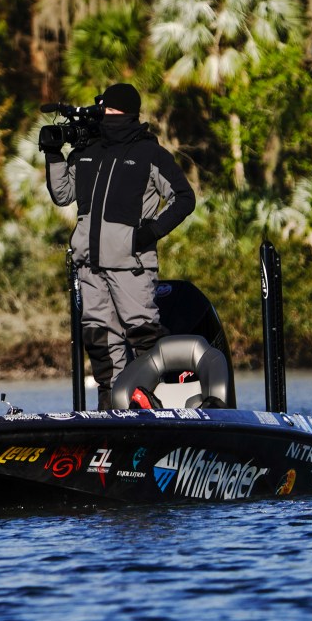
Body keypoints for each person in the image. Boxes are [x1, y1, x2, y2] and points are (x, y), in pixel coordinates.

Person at [43, 83, 196, 410]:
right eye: (103, 110)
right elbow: (63, 194)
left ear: (127, 113)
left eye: (111, 110)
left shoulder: (149, 154)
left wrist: (149, 233)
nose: (106, 115)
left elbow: (185, 198)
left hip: (131, 265)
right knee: (99, 338)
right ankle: (112, 405)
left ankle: (154, 401)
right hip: (89, 266)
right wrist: (53, 153)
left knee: (143, 333)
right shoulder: (89, 151)